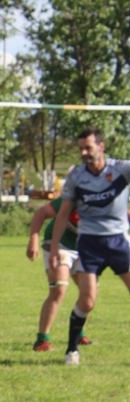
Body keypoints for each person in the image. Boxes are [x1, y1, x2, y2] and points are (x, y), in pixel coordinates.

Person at [50, 126, 130, 365]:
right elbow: (63, 214)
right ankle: (71, 350)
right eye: (81, 149)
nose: (84, 152)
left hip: (118, 242)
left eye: (88, 147)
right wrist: (54, 248)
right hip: (89, 245)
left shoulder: (121, 169)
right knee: (87, 300)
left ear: (101, 146)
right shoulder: (76, 177)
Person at [26, 197, 92, 351]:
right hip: (58, 244)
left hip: (84, 248)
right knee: (59, 289)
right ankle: (42, 340)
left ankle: (78, 334)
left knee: (89, 293)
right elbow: (41, 213)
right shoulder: (78, 195)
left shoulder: (110, 202)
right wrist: (33, 240)